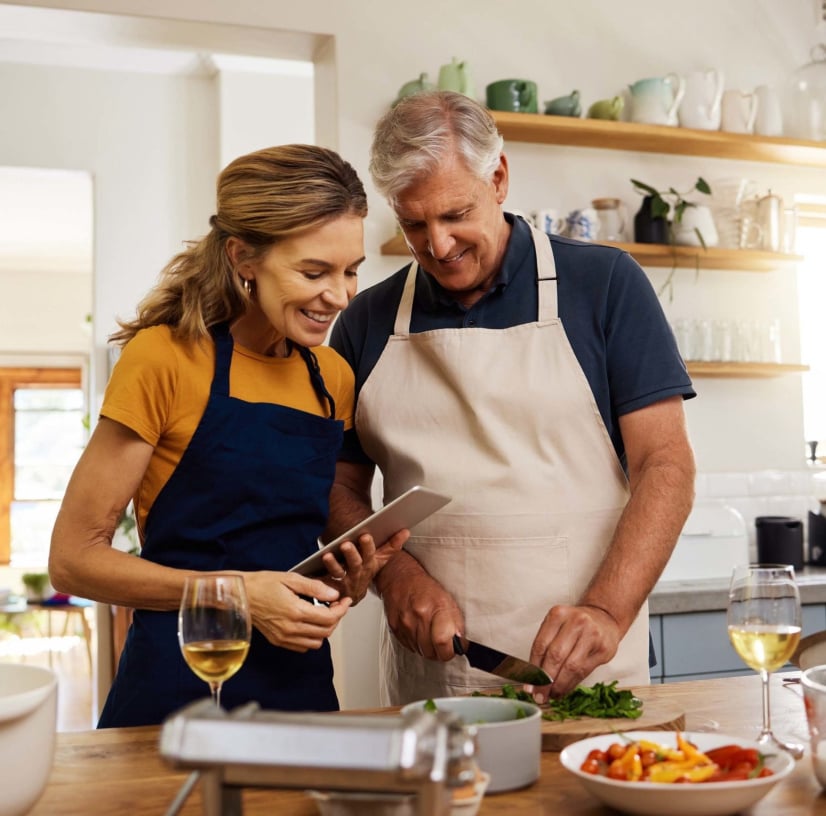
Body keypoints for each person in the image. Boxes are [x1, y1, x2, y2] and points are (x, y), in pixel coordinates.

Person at [328, 91, 697, 707]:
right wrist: (395, 576)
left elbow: (667, 464)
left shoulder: (606, 286)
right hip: (434, 679)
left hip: (588, 668)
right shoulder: (365, 319)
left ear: (498, 178)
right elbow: (336, 488)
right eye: (414, 224)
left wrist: (606, 608)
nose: (439, 245)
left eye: (454, 214)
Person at [49, 144, 406, 727]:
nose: (340, 296)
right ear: (244, 258)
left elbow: (287, 545)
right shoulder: (164, 359)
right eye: (313, 272)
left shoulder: (331, 378)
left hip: (300, 691)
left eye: (350, 271)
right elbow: (72, 561)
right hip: (181, 681)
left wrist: (348, 578)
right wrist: (239, 595)